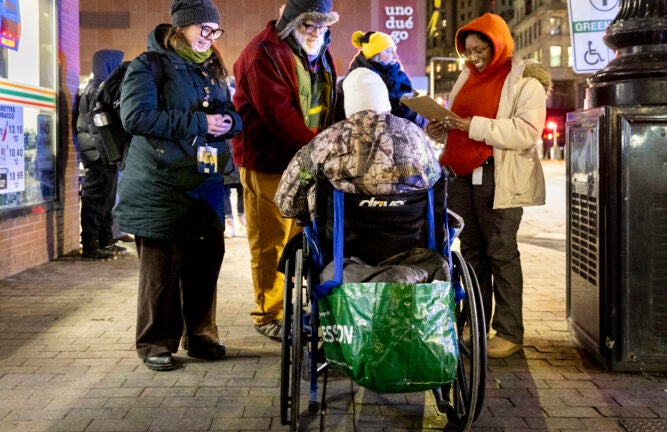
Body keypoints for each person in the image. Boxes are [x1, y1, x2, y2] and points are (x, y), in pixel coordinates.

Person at [114, 0, 242, 371]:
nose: (210, 37)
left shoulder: (211, 67)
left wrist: (229, 124)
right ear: (181, 27)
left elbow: (230, 114)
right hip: (160, 183)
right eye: (204, 29)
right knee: (161, 271)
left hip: (204, 182)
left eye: (215, 31)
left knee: (205, 262)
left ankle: (201, 335)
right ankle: (156, 341)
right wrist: (201, 124)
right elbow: (136, 117)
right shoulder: (148, 65)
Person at [426, 13, 550, 359]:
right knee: (472, 253)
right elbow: (459, 123)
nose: (475, 57)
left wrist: (471, 125)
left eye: (481, 49)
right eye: (469, 51)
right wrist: (442, 129)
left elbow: (526, 130)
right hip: (461, 176)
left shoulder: (525, 79)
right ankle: (477, 325)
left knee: (502, 253)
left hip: (498, 175)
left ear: (498, 44)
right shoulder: (466, 76)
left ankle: (510, 332)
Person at [232, 0, 339, 342]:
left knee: (300, 239)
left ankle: (293, 309)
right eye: (310, 26)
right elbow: (280, 117)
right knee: (270, 241)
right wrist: (322, 153)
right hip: (270, 162)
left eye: (322, 27)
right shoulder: (263, 54)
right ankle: (269, 312)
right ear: (291, 22)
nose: (317, 33)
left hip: (308, 161)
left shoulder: (319, 50)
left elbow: (329, 103)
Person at [275, 67, 441, 220]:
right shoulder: (414, 136)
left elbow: (287, 202)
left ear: (349, 106)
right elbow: (436, 182)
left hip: (342, 245)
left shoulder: (326, 140)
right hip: (411, 239)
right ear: (386, 103)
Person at [75, 49, 127, 260]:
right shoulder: (97, 88)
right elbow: (98, 126)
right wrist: (108, 153)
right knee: (96, 199)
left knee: (106, 198)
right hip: (98, 154)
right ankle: (90, 244)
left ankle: (106, 240)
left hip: (103, 153)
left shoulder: (100, 86)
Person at [335, 31, 426, 128]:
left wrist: (413, 114)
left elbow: (419, 122)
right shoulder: (351, 83)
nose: (396, 56)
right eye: (388, 51)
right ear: (374, 56)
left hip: (402, 138)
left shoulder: (401, 79)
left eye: (394, 50)